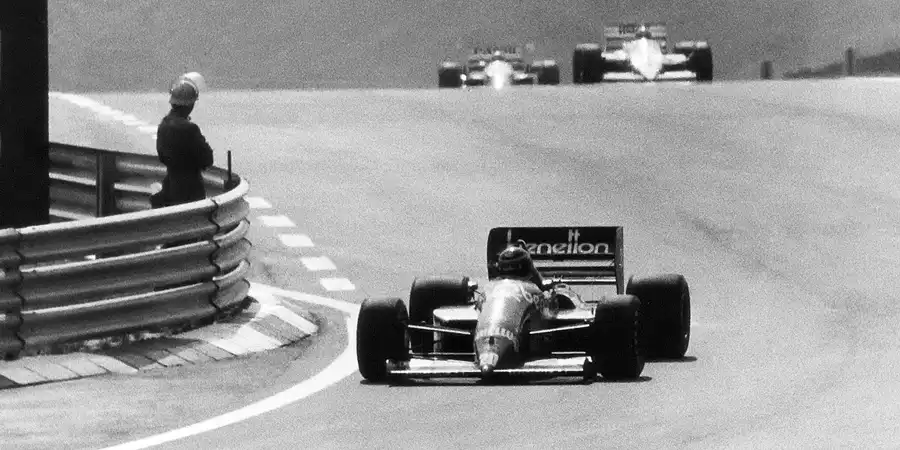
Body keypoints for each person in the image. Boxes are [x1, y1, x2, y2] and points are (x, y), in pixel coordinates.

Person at [151, 73, 214, 209]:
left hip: (170, 186)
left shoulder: (164, 125)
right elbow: (207, 159)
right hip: (191, 191)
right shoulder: (190, 129)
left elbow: (162, 156)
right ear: (190, 105)